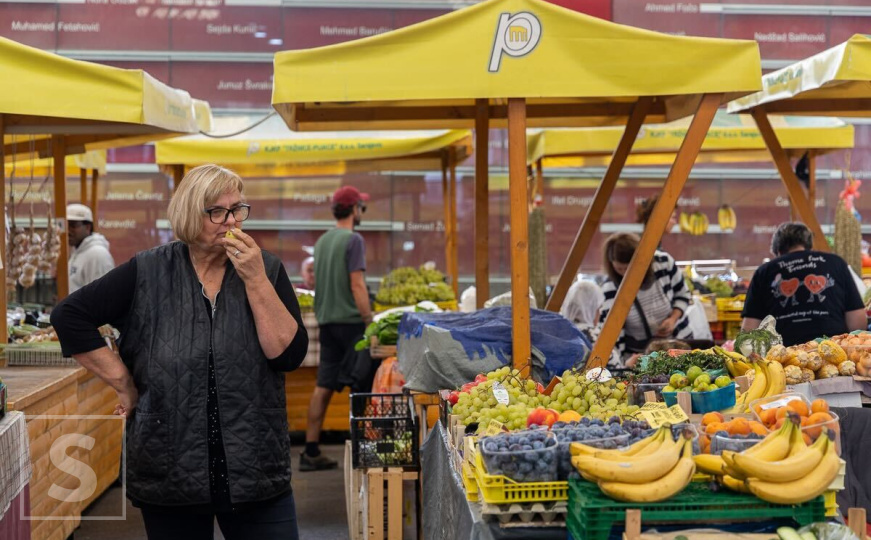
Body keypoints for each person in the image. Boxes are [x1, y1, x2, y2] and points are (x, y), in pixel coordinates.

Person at [51, 165, 308, 540]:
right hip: (170, 466)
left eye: (237, 209)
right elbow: (70, 315)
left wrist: (254, 278)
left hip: (255, 466)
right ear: (190, 214)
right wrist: (123, 382)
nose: (232, 221)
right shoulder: (149, 271)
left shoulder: (265, 268)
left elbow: (286, 355)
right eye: (217, 212)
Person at [303, 185, 373, 471]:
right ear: (354, 209)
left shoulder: (321, 242)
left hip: (327, 323)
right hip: (352, 323)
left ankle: (310, 450)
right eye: (361, 207)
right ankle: (361, 448)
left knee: (323, 386)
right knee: (361, 387)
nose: (362, 212)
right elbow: (357, 284)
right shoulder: (353, 239)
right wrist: (369, 320)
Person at [741, 222, 866, 346]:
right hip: (833, 352)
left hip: (783, 357)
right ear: (809, 246)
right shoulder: (836, 263)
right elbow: (857, 319)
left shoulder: (764, 271)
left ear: (778, 251)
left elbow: (749, 328)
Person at [599, 233, 694, 364]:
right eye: (619, 269)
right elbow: (611, 334)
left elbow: (683, 294)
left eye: (629, 268)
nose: (625, 273)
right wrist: (623, 363)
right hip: (641, 356)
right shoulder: (610, 289)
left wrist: (673, 319)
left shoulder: (663, 263)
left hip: (678, 344)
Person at [560, 279, 621, 368]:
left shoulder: (560, 330)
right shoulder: (594, 336)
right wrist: (628, 365)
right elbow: (614, 367)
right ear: (590, 309)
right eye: (598, 308)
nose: (599, 313)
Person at [67, 203, 115, 293]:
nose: (68, 231)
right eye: (66, 226)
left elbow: (102, 295)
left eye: (73, 226)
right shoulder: (77, 251)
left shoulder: (97, 254)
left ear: (88, 227)